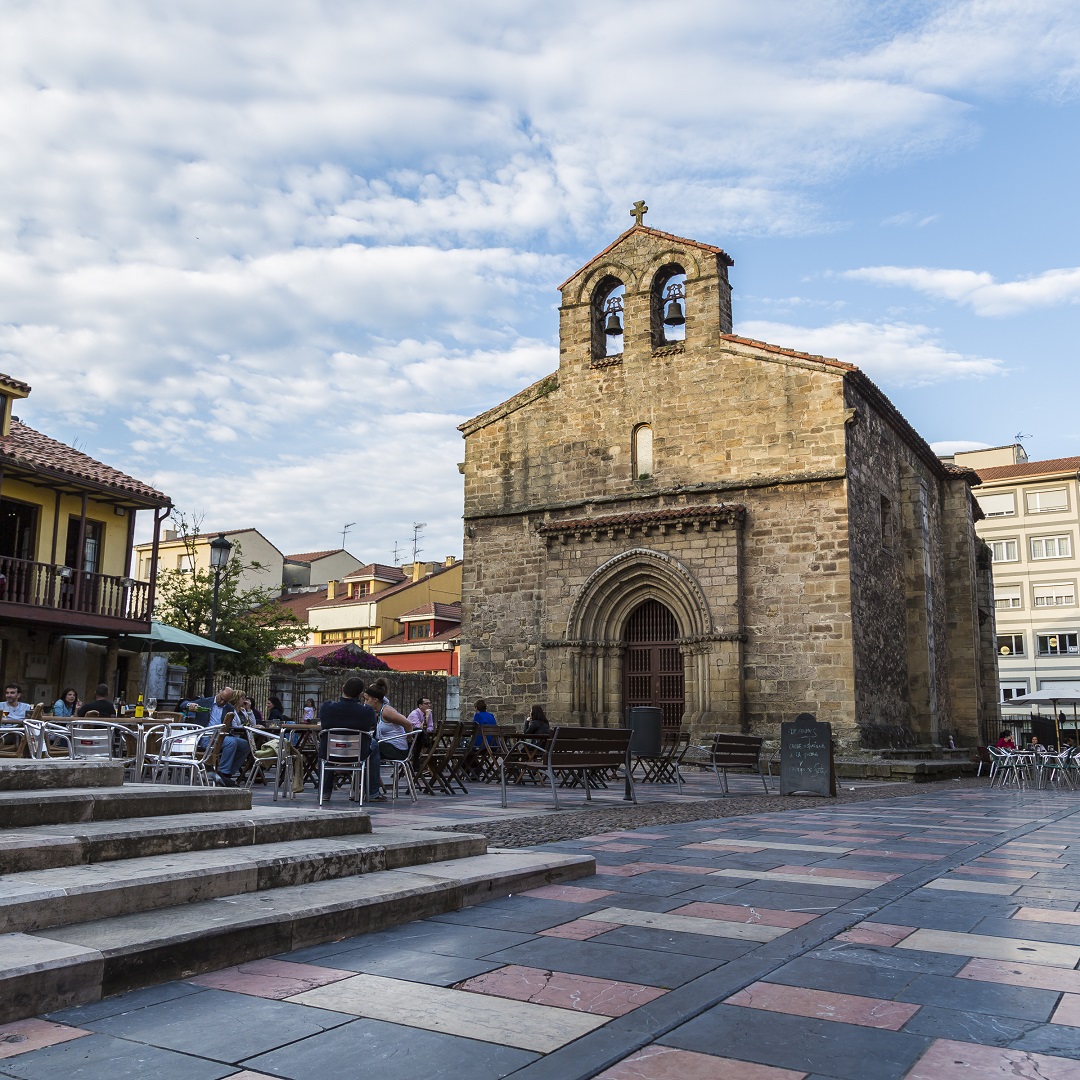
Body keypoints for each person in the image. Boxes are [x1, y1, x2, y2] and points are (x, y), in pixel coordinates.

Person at [319, 677, 377, 800]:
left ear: (342, 688)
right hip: (358, 754)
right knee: (375, 744)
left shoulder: (326, 707)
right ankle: (372, 792)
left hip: (331, 752)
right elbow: (372, 725)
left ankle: (324, 791)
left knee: (326, 747)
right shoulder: (367, 711)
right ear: (360, 694)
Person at [178, 687, 249, 786]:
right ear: (219, 692)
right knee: (231, 743)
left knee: (245, 745)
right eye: (221, 698)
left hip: (222, 735)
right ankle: (224, 773)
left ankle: (227, 773)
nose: (222, 702)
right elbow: (182, 704)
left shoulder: (229, 708)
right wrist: (190, 705)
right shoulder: (204, 702)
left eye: (226, 701)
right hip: (206, 736)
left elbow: (232, 724)